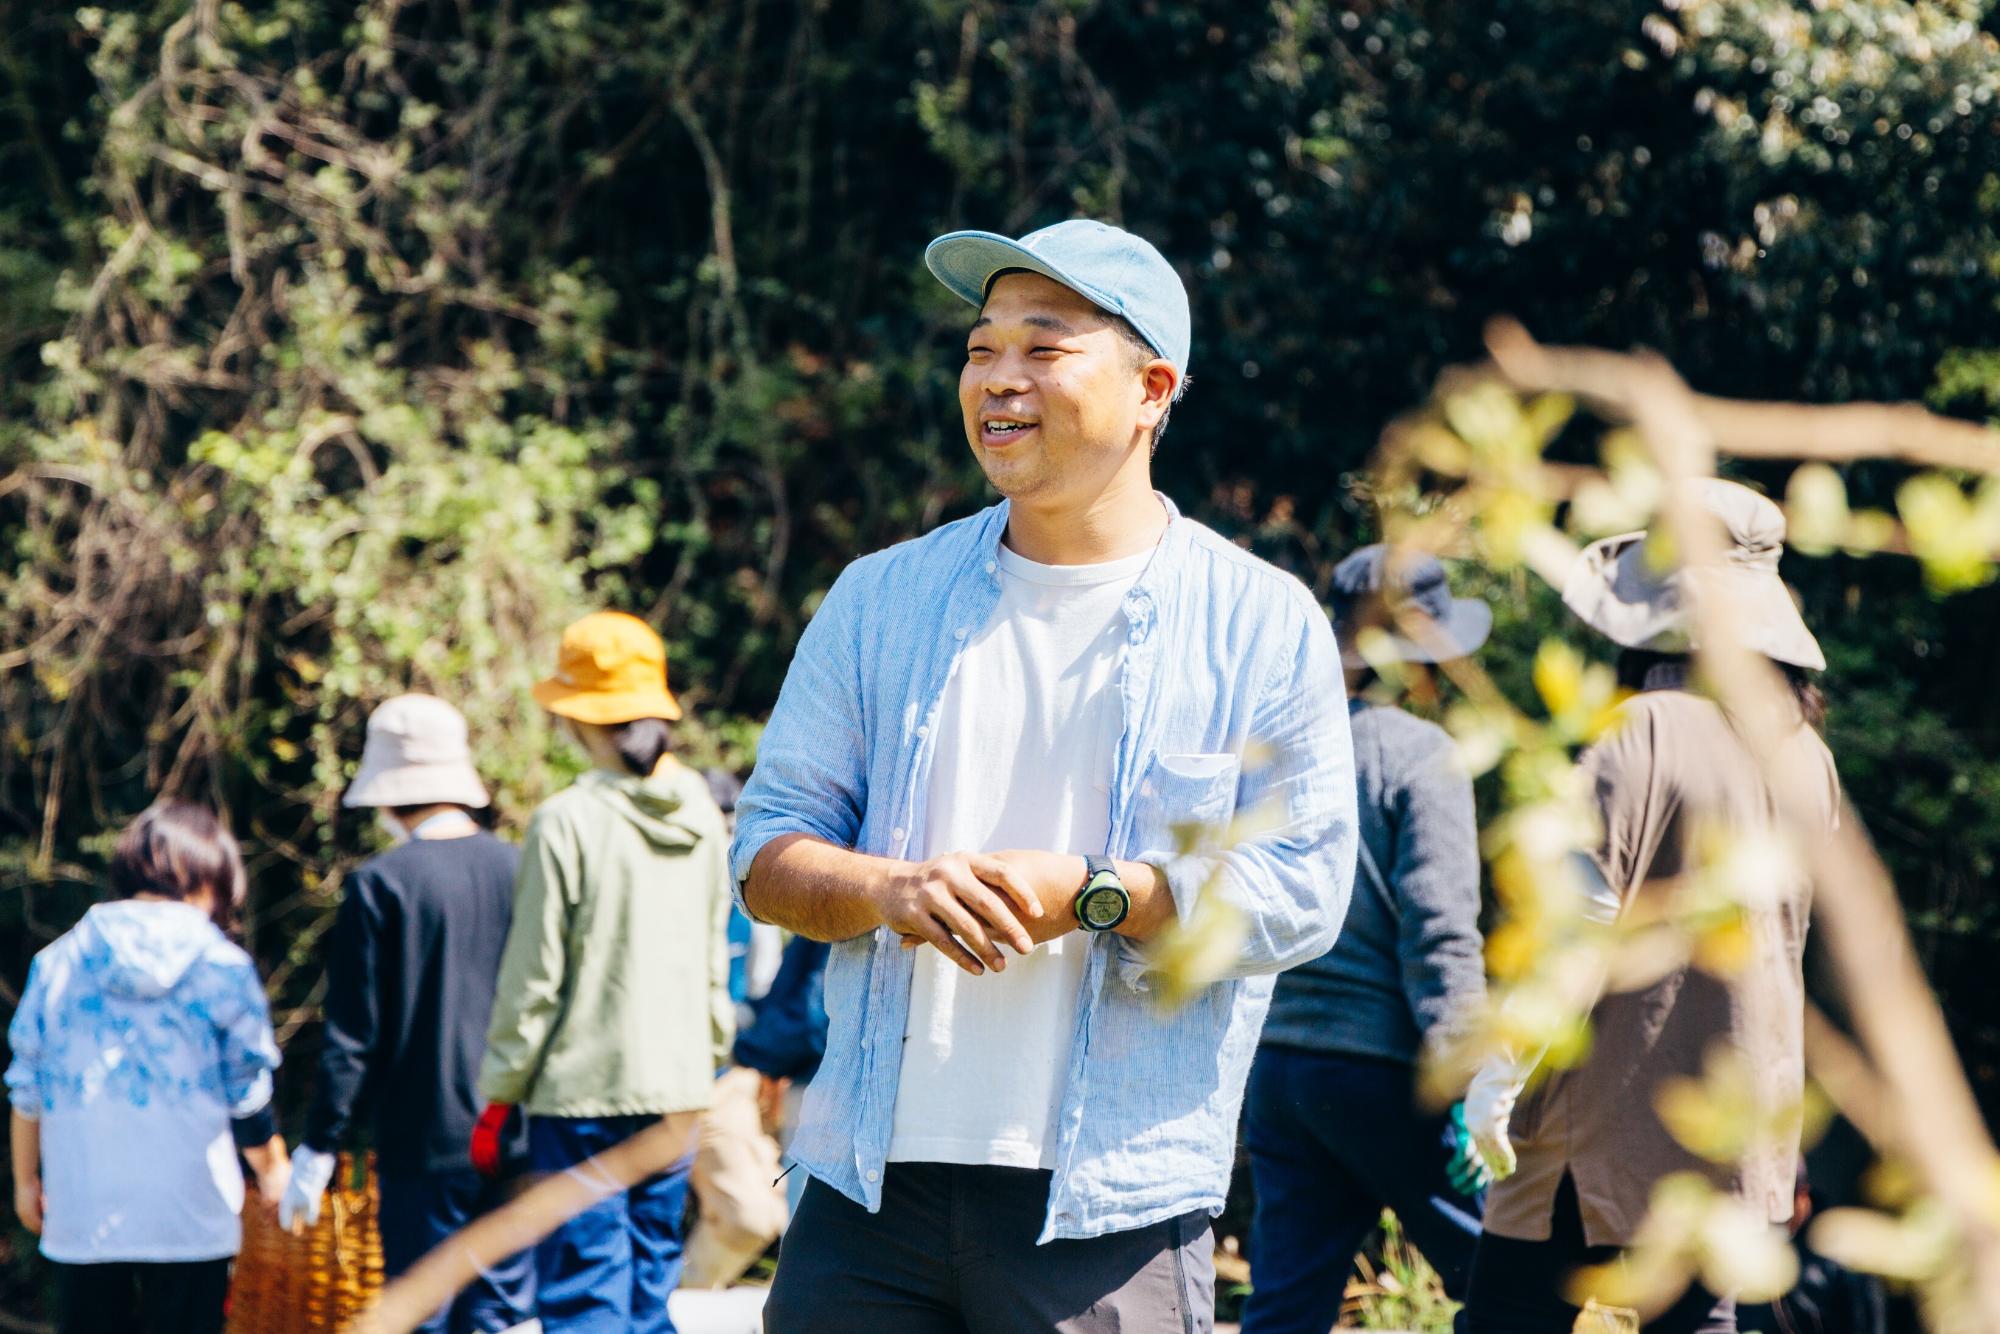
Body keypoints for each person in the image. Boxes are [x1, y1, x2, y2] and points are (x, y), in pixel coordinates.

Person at [731, 219, 1357, 1334]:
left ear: (1151, 387)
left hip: (1110, 1197)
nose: (997, 379)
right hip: (865, 1184)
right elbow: (766, 851)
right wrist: (889, 892)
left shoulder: (1260, 621)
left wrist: (1095, 889)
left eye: (1042, 347)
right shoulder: (879, 600)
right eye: (979, 349)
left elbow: (1302, 892)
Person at [1459, 479, 1840, 1334]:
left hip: (1589, 1130)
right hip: (1729, 1127)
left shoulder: (1642, 728)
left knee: (1502, 1320)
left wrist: (1496, 1077)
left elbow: (1577, 924)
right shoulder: (1807, 755)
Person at [1241, 545, 1492, 1332]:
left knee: (1285, 1305)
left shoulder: (1266, 756)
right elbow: (1440, 933)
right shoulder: (1421, 756)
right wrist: (1473, 1081)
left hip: (1278, 1069)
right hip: (1384, 1072)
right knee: (1505, 1285)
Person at [475, 610, 734, 1334]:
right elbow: (715, 957)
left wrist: (500, 1091)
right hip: (679, 1090)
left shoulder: (566, 821)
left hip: (583, 1096)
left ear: (579, 720)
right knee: (650, 1290)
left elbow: (535, 978)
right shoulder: (705, 817)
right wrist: (707, 1058)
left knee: (584, 1295)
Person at [280, 693, 535, 1333]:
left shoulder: (382, 884)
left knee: (423, 1314)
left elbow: (352, 1041)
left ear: (388, 792)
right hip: (516, 1133)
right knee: (500, 1317)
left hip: (424, 1141)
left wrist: (318, 1148)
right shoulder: (521, 866)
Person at [6, 802, 288, 1334]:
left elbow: (28, 1089)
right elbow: (246, 1093)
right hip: (192, 1211)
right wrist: (274, 1172)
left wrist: (26, 1182)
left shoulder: (58, 962)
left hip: (82, 1206)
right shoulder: (222, 967)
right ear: (212, 879)